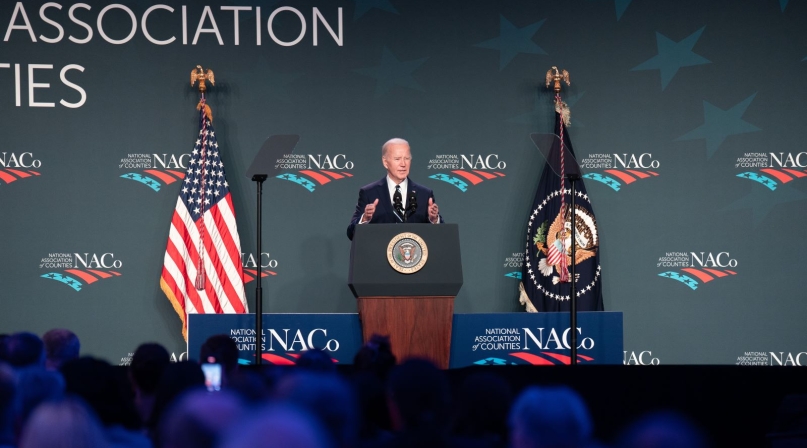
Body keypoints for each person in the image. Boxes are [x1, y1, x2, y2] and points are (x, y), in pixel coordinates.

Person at [347, 138, 442, 241]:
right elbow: (351, 233)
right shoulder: (369, 193)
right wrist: (365, 219)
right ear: (385, 162)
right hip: (379, 255)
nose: (403, 164)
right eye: (397, 159)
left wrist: (434, 220)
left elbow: (440, 234)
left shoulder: (425, 194)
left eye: (407, 158)